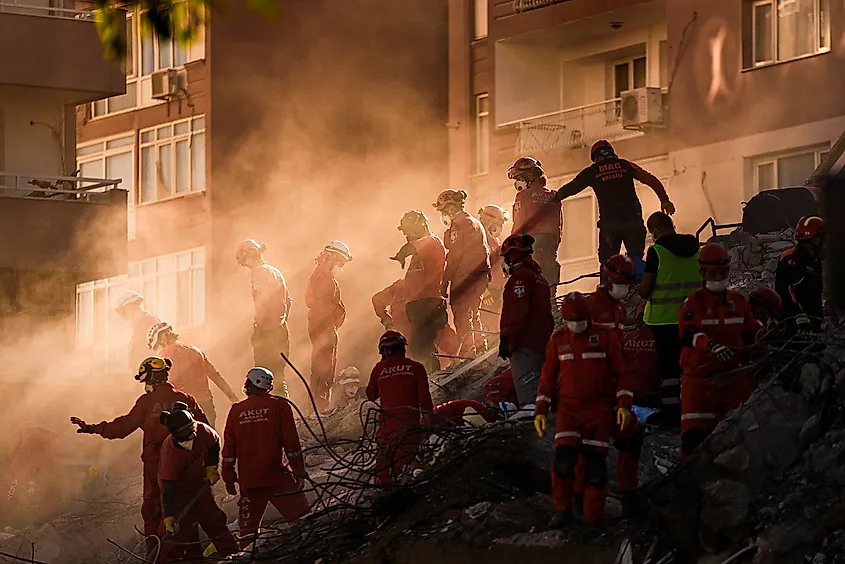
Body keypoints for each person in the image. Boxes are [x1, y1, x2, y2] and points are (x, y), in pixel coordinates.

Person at [70, 357, 207, 551]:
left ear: (150, 378)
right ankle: (192, 555)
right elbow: (205, 429)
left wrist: (92, 428)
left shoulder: (147, 402)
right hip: (187, 466)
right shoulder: (186, 399)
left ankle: (158, 554)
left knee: (154, 512)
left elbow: (122, 427)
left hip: (156, 466)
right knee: (186, 509)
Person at [534, 292, 628, 528]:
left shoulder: (605, 337)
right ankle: (563, 511)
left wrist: (624, 405)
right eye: (572, 321)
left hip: (599, 409)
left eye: (581, 320)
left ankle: (592, 519)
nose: (577, 325)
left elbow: (622, 373)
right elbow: (547, 378)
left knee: (595, 466)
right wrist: (541, 409)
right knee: (563, 461)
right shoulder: (558, 341)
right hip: (568, 410)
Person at [678, 243, 759, 459]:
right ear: (702, 273)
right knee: (693, 443)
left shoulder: (738, 302)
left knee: (739, 440)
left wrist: (767, 334)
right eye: (713, 273)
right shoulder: (692, 304)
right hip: (700, 384)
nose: (718, 278)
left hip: (733, 381)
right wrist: (711, 346)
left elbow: (752, 332)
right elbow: (689, 333)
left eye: (722, 273)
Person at [554, 140, 676, 268]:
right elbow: (650, 179)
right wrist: (664, 200)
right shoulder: (625, 165)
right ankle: (638, 280)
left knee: (608, 264)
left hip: (610, 225)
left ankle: (608, 280)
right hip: (633, 221)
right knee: (636, 260)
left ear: (595, 157)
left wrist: (555, 197)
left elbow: (572, 187)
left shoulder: (592, 171)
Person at [222, 367, 309, 546]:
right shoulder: (280, 406)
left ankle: (249, 558)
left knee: (248, 536)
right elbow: (291, 444)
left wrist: (228, 477)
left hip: (249, 482)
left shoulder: (236, 410)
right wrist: (299, 471)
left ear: (249, 384)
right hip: (277, 477)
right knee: (304, 521)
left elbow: (229, 449)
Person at [639, 211, 701, 426]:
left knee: (669, 370)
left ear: (656, 230)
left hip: (664, 320)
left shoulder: (656, 251)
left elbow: (644, 290)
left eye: (652, 231)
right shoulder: (695, 247)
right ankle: (694, 406)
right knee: (691, 364)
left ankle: (671, 412)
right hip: (693, 318)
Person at [158, 404, 239, 561]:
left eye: (191, 428)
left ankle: (234, 556)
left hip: (199, 484)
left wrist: (211, 467)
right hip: (177, 491)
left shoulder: (202, 430)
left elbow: (214, 444)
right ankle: (193, 559)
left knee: (213, 520)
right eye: (185, 432)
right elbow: (168, 487)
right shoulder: (169, 453)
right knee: (184, 531)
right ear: (175, 434)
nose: (191, 434)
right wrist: (169, 515)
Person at [365, 331, 434, 483]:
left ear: (385, 351)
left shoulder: (379, 369)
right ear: (402, 348)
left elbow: (370, 395)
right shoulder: (417, 368)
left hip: (386, 434)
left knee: (383, 478)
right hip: (410, 432)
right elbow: (425, 404)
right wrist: (430, 433)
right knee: (410, 475)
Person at [498, 234, 554, 406]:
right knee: (543, 396)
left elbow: (517, 312)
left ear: (513, 254)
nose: (506, 262)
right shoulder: (539, 278)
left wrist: (506, 338)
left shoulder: (520, 279)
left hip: (524, 346)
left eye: (506, 257)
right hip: (540, 344)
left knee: (529, 400)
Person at [433, 190, 492, 357]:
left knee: (461, 314)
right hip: (480, 275)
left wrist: (445, 282)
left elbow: (454, 256)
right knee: (474, 313)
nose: (443, 215)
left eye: (443, 210)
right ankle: (480, 347)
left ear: (451, 208)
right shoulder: (475, 222)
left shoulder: (458, 225)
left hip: (463, 276)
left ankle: (468, 353)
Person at [148, 322, 240, 428]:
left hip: (183, 408)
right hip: (206, 404)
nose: (160, 348)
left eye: (159, 344)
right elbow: (215, 376)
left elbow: (169, 382)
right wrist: (232, 397)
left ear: (162, 338)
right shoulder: (196, 350)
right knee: (208, 436)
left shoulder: (166, 354)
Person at [391, 210, 451, 373]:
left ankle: (431, 376)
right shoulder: (421, 251)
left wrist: (400, 255)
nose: (407, 235)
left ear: (421, 225)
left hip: (427, 302)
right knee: (421, 346)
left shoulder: (431, 242)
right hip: (419, 303)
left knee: (421, 345)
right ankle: (432, 376)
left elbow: (409, 247)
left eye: (408, 229)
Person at [236, 239, 293, 395]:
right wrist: (281, 321)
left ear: (247, 257)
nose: (245, 267)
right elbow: (288, 301)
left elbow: (261, 300)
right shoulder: (276, 272)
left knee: (261, 378)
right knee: (279, 377)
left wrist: (259, 326)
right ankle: (284, 405)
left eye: (244, 263)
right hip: (281, 330)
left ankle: (265, 409)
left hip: (267, 332)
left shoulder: (258, 272)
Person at [306, 241, 352, 412]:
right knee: (324, 369)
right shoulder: (324, 277)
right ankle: (320, 408)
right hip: (324, 327)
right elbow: (326, 305)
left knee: (321, 369)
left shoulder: (320, 275)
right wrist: (330, 326)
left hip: (321, 326)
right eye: (340, 262)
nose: (341, 267)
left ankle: (317, 407)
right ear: (332, 258)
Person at [508, 157, 562, 288]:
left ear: (529, 176)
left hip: (531, 244)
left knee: (529, 281)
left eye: (519, 177)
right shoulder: (554, 196)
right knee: (549, 280)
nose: (518, 182)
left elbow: (519, 224)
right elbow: (559, 225)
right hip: (550, 244)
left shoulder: (523, 196)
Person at [775, 215, 825, 334]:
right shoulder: (793, 258)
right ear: (815, 239)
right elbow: (786, 289)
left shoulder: (813, 260)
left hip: (811, 324)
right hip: (796, 326)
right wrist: (798, 315)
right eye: (822, 237)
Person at [478, 204, 510, 337]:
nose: (500, 228)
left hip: (499, 291)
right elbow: (475, 268)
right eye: (498, 224)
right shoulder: (479, 240)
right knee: (490, 330)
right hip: (489, 293)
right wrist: (484, 291)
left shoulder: (495, 241)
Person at [589, 254, 635, 332]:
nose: (623, 288)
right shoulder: (592, 305)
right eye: (619, 283)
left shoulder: (621, 309)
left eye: (626, 284)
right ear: (607, 278)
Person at [115, 291, 162, 368]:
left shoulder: (147, 322)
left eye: (124, 312)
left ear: (130, 307)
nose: (125, 316)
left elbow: (148, 351)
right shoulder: (142, 322)